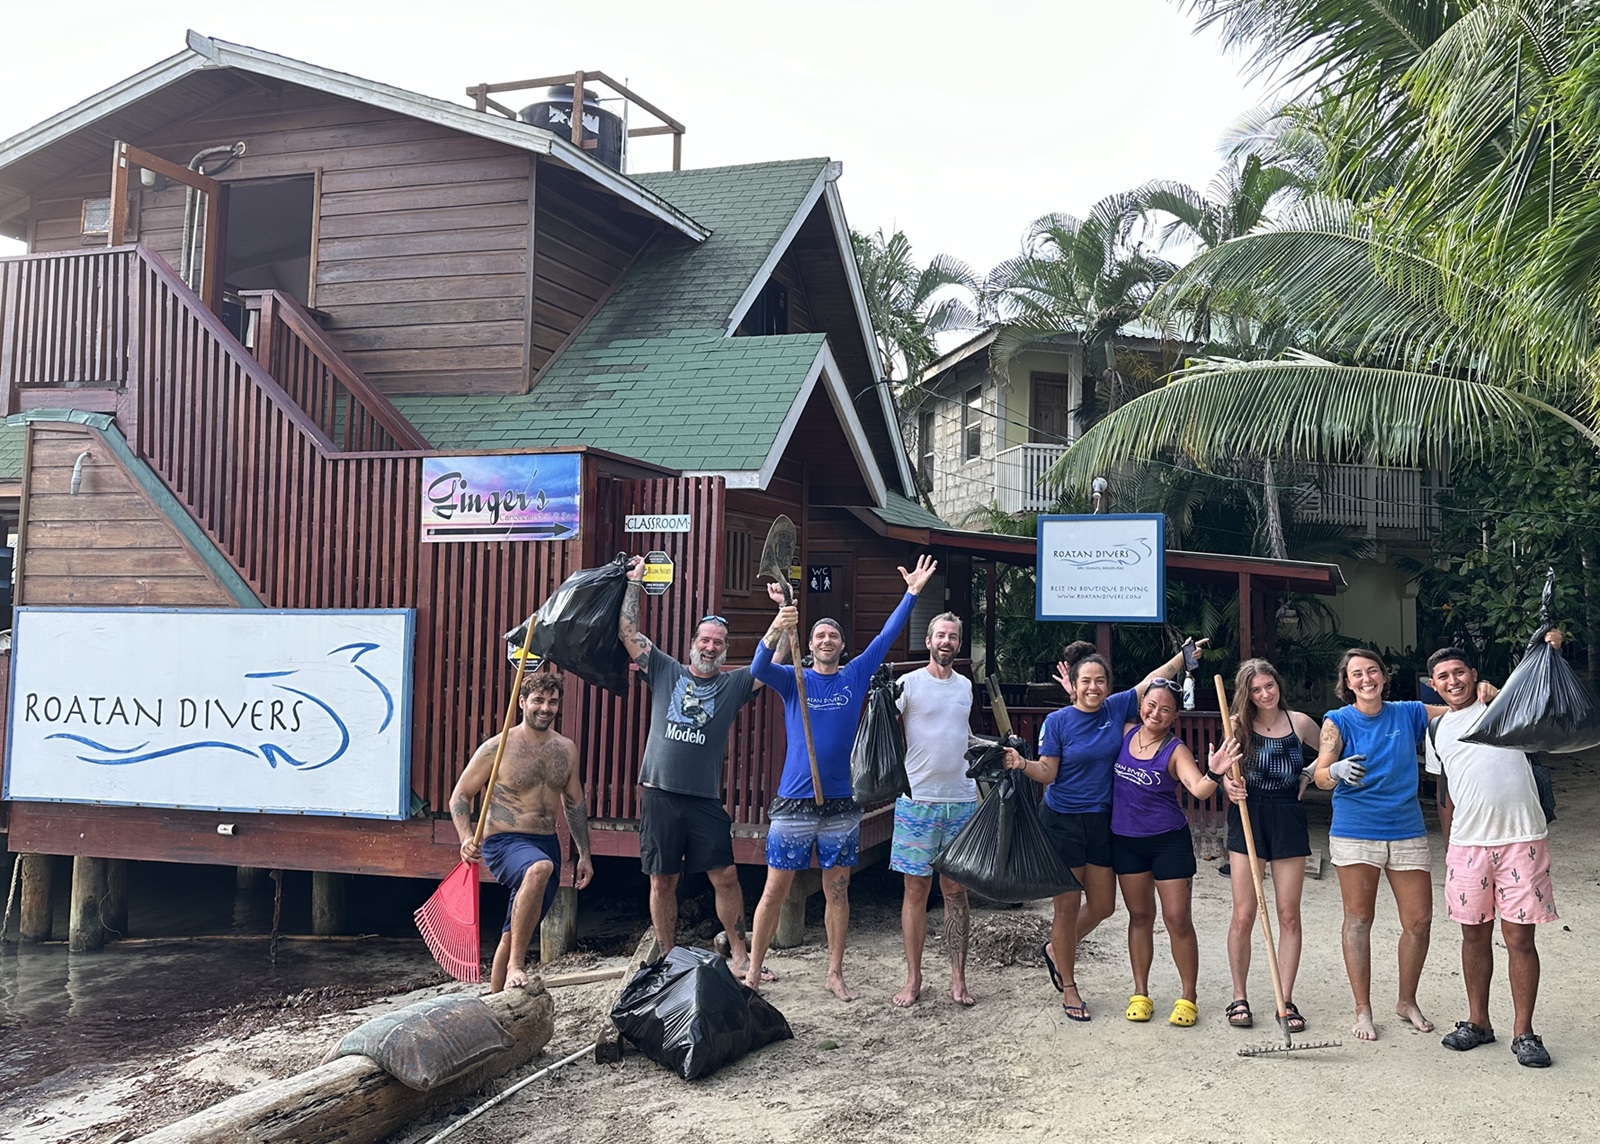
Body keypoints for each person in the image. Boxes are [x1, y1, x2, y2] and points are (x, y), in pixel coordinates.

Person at [743, 554, 939, 1000]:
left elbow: (887, 637)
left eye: (833, 634)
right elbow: (756, 669)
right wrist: (779, 621)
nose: (827, 639)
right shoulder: (794, 677)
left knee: (837, 890)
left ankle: (834, 972)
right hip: (795, 799)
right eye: (819, 635)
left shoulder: (855, 675)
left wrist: (911, 594)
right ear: (809, 646)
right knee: (775, 890)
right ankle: (753, 972)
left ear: (842, 644)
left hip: (842, 802)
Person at [1006, 637, 1206, 1021]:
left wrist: (1181, 659)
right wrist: (1021, 764)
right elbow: (1048, 773)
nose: (1093, 687)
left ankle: (1055, 949)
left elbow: (1155, 682)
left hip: (1102, 823)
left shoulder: (1116, 710)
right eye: (1086, 681)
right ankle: (1069, 986)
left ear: (1108, 686)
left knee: (1102, 906)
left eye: (1100, 681)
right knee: (1065, 909)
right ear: (1075, 686)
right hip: (1062, 821)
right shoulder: (1058, 722)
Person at [618, 555, 787, 980]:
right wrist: (634, 583)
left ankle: (741, 954)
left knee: (726, 875)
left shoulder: (732, 685)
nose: (710, 647)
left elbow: (771, 660)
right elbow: (627, 631)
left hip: (704, 799)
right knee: (662, 880)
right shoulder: (664, 669)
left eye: (718, 642)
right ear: (693, 643)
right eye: (705, 640)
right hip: (659, 791)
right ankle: (670, 958)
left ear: (725, 650)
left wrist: (784, 612)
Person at [1312, 647, 1491, 1041]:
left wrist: (1484, 690)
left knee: (1419, 921)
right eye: (1356, 674)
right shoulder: (1337, 721)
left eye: (1372, 671)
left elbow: (1462, 709)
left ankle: (1405, 1000)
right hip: (1356, 829)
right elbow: (1321, 775)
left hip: (1406, 828)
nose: (1366, 679)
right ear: (1346, 683)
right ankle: (1363, 1009)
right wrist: (1335, 771)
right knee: (1359, 920)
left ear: (1383, 676)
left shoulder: (1409, 712)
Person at [1425, 640, 1561, 1068]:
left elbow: (1543, 701)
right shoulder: (1436, 730)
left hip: (1522, 838)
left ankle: (1524, 1032)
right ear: (1433, 685)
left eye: (1459, 672)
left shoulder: (1501, 707)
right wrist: (1450, 847)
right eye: (1443, 677)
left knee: (1520, 937)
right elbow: (1443, 792)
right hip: (1468, 845)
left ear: (1473, 673)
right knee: (1473, 934)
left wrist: (1549, 647)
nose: (1453, 681)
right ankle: (1478, 1021)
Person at [1087, 680, 1237, 1026]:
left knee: (1177, 920)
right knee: (1139, 917)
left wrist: (1216, 769)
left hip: (1168, 841)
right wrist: (1074, 693)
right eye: (1150, 705)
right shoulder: (1124, 733)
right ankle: (1140, 991)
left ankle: (1188, 996)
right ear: (1141, 707)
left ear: (1174, 716)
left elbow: (1199, 789)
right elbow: (1093, 717)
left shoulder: (1176, 749)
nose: (1155, 713)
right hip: (1125, 840)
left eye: (1165, 709)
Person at [450, 671, 593, 992]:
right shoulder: (498, 747)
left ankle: (496, 1003)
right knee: (538, 869)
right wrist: (464, 837)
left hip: (546, 843)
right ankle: (518, 964)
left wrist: (584, 853)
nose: (545, 708)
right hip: (504, 842)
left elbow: (574, 803)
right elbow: (460, 795)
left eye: (553, 702)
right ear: (522, 702)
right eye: (538, 700)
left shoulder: (565, 749)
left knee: (513, 930)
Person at [1217, 658, 1320, 1033]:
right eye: (1256, 690)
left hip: (1288, 816)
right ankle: (1239, 995)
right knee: (1244, 913)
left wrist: (1309, 773)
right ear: (1247, 694)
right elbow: (1223, 775)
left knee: (1288, 914)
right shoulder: (1237, 727)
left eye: (1269, 686)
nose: (1265, 694)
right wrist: (1225, 783)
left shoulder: (1300, 723)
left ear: (1278, 684)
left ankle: (1285, 1000)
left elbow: (1331, 750)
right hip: (1248, 814)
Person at [891, 611, 983, 1008]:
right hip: (918, 801)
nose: (946, 641)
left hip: (961, 799)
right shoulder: (906, 684)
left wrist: (993, 749)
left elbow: (962, 734)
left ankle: (958, 978)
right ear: (928, 641)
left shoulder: (965, 686)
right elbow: (886, 732)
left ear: (959, 645)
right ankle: (913, 979)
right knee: (915, 889)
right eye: (940, 635)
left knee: (957, 892)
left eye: (953, 636)